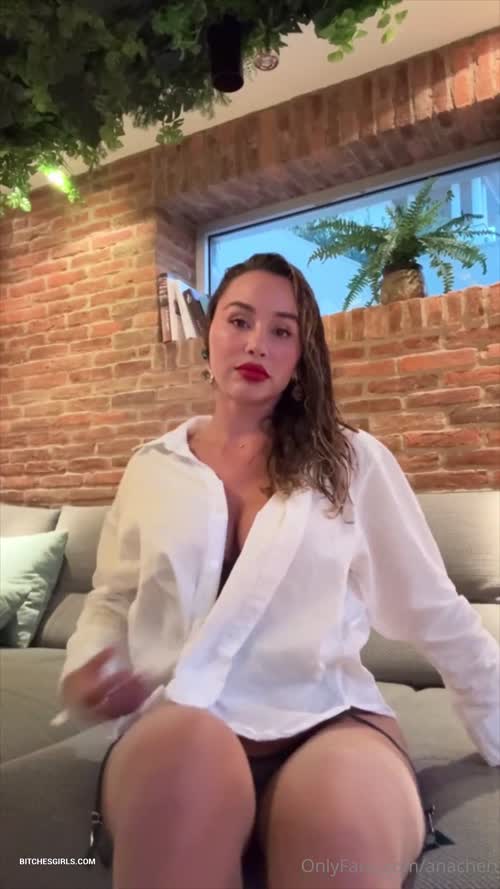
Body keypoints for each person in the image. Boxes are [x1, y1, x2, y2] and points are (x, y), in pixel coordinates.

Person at [59, 252, 499, 889]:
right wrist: (85, 671)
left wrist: (495, 723)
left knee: (338, 829)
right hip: (183, 719)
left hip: (329, 718)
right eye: (239, 321)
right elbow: (111, 598)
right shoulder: (151, 468)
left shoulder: (350, 462)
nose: (256, 343)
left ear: (300, 356)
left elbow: (433, 607)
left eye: (282, 330)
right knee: (184, 781)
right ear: (209, 334)